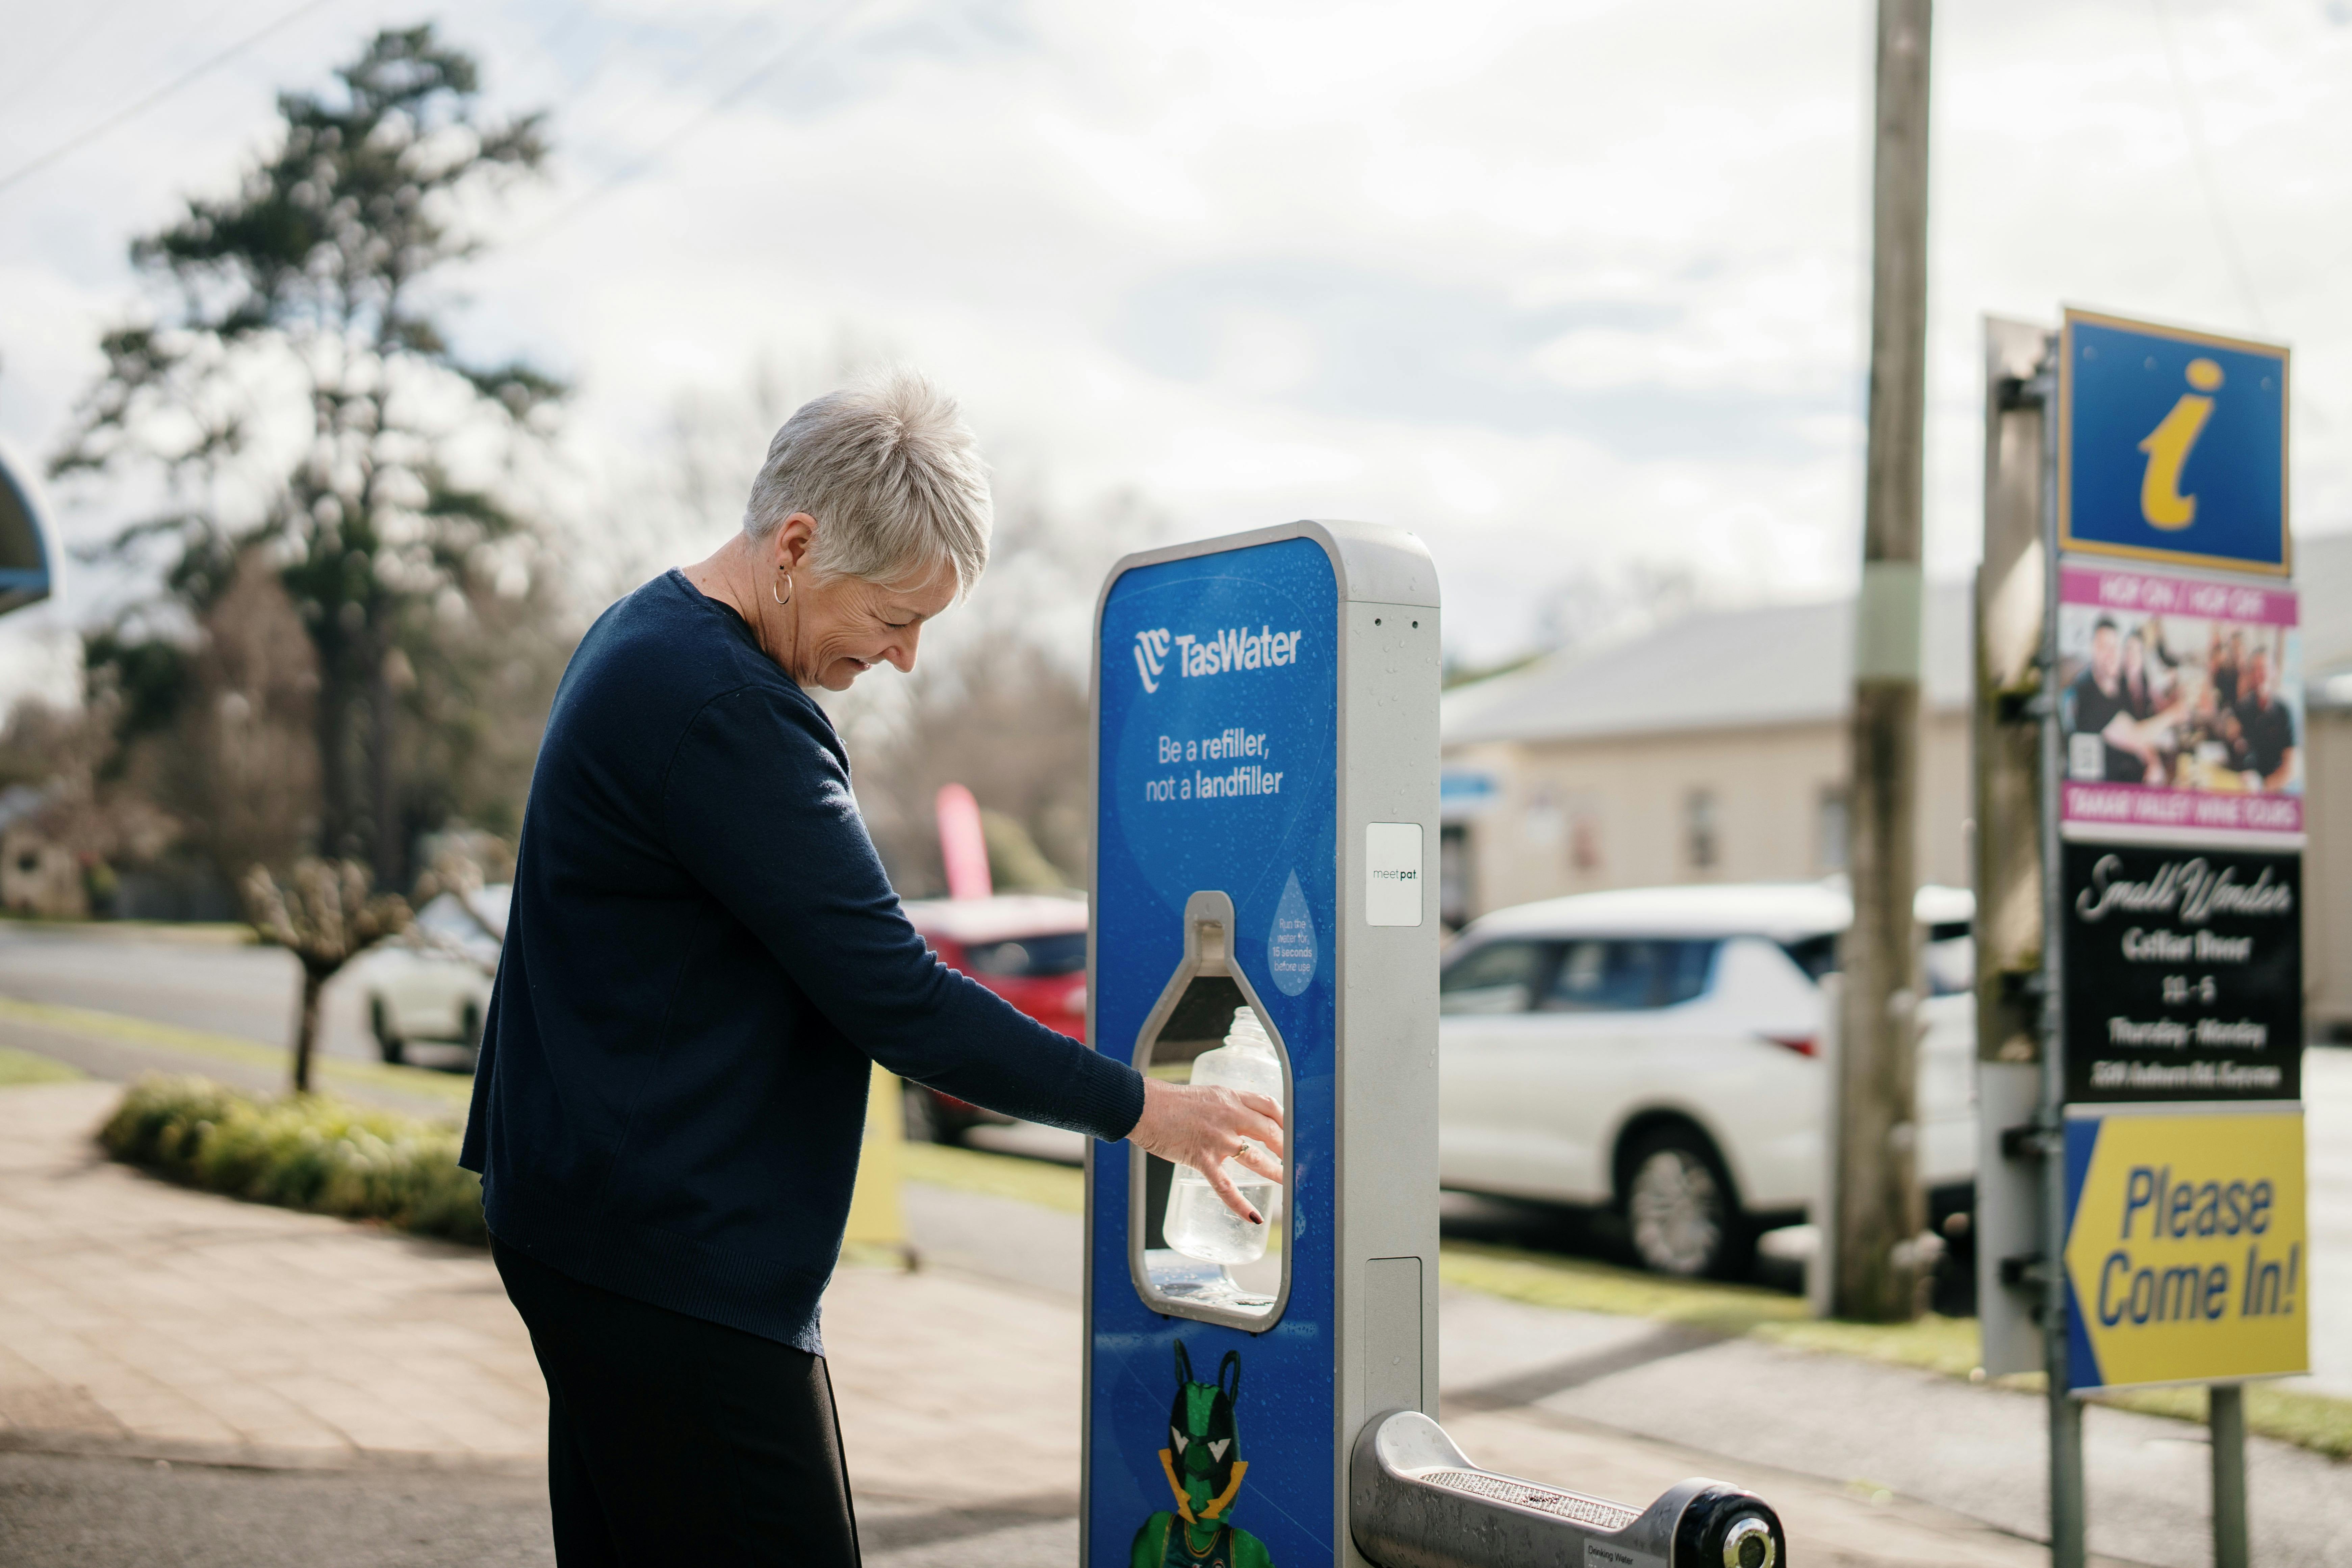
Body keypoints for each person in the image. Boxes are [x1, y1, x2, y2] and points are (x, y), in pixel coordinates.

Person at [461, 371, 1284, 1568]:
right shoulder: (723, 707)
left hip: (590, 1224)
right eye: (895, 616)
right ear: (795, 545)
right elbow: (899, 994)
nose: (901, 659)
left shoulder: (642, 635)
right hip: (669, 1263)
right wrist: (1148, 1110)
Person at [2232, 650, 2298, 792]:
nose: (2258, 674)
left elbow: (2291, 769)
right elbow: (2238, 745)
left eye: (2263, 668)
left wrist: (2263, 787)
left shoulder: (2285, 712)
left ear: (2274, 671)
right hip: (2246, 784)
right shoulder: (2244, 707)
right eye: (2254, 670)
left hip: (2274, 788)